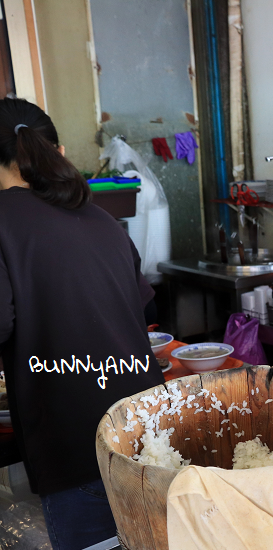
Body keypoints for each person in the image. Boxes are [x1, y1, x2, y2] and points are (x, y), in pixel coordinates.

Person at [0, 98, 164, 549]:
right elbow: (146, 311)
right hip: (146, 429)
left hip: (74, 440)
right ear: (59, 150)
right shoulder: (101, 217)